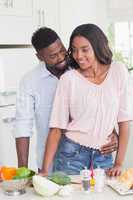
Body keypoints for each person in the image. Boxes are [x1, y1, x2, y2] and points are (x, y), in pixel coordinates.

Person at [14, 26, 118, 172]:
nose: (61, 57)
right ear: (40, 57)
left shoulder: (81, 69)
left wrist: (113, 133)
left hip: (93, 153)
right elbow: (22, 125)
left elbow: (99, 105)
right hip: (49, 161)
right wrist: (22, 170)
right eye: (53, 56)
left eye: (62, 50)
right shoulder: (30, 81)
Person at [41, 24, 133, 176]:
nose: (78, 55)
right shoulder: (68, 80)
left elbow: (124, 120)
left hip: (103, 156)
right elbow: (56, 128)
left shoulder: (118, 71)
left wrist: (118, 163)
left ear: (97, 46)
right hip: (71, 155)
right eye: (74, 50)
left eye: (85, 49)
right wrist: (44, 170)